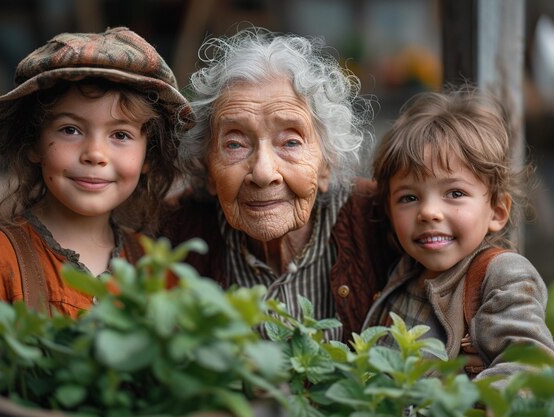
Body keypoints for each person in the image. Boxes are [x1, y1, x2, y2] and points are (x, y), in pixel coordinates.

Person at [0, 26, 193, 415]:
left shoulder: (154, 267)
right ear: (35, 144)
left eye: (120, 135)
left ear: (148, 156)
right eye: (70, 130)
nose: (95, 154)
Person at [164, 27, 398, 342]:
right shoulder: (173, 234)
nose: (263, 173)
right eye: (235, 144)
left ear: (326, 163)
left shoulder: (384, 218)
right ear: (207, 168)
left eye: (289, 142)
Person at [362, 88, 554, 380]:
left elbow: (528, 365)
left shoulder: (503, 274)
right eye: (409, 198)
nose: (428, 212)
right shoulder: (404, 270)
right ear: (389, 211)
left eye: (454, 193)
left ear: (497, 211)